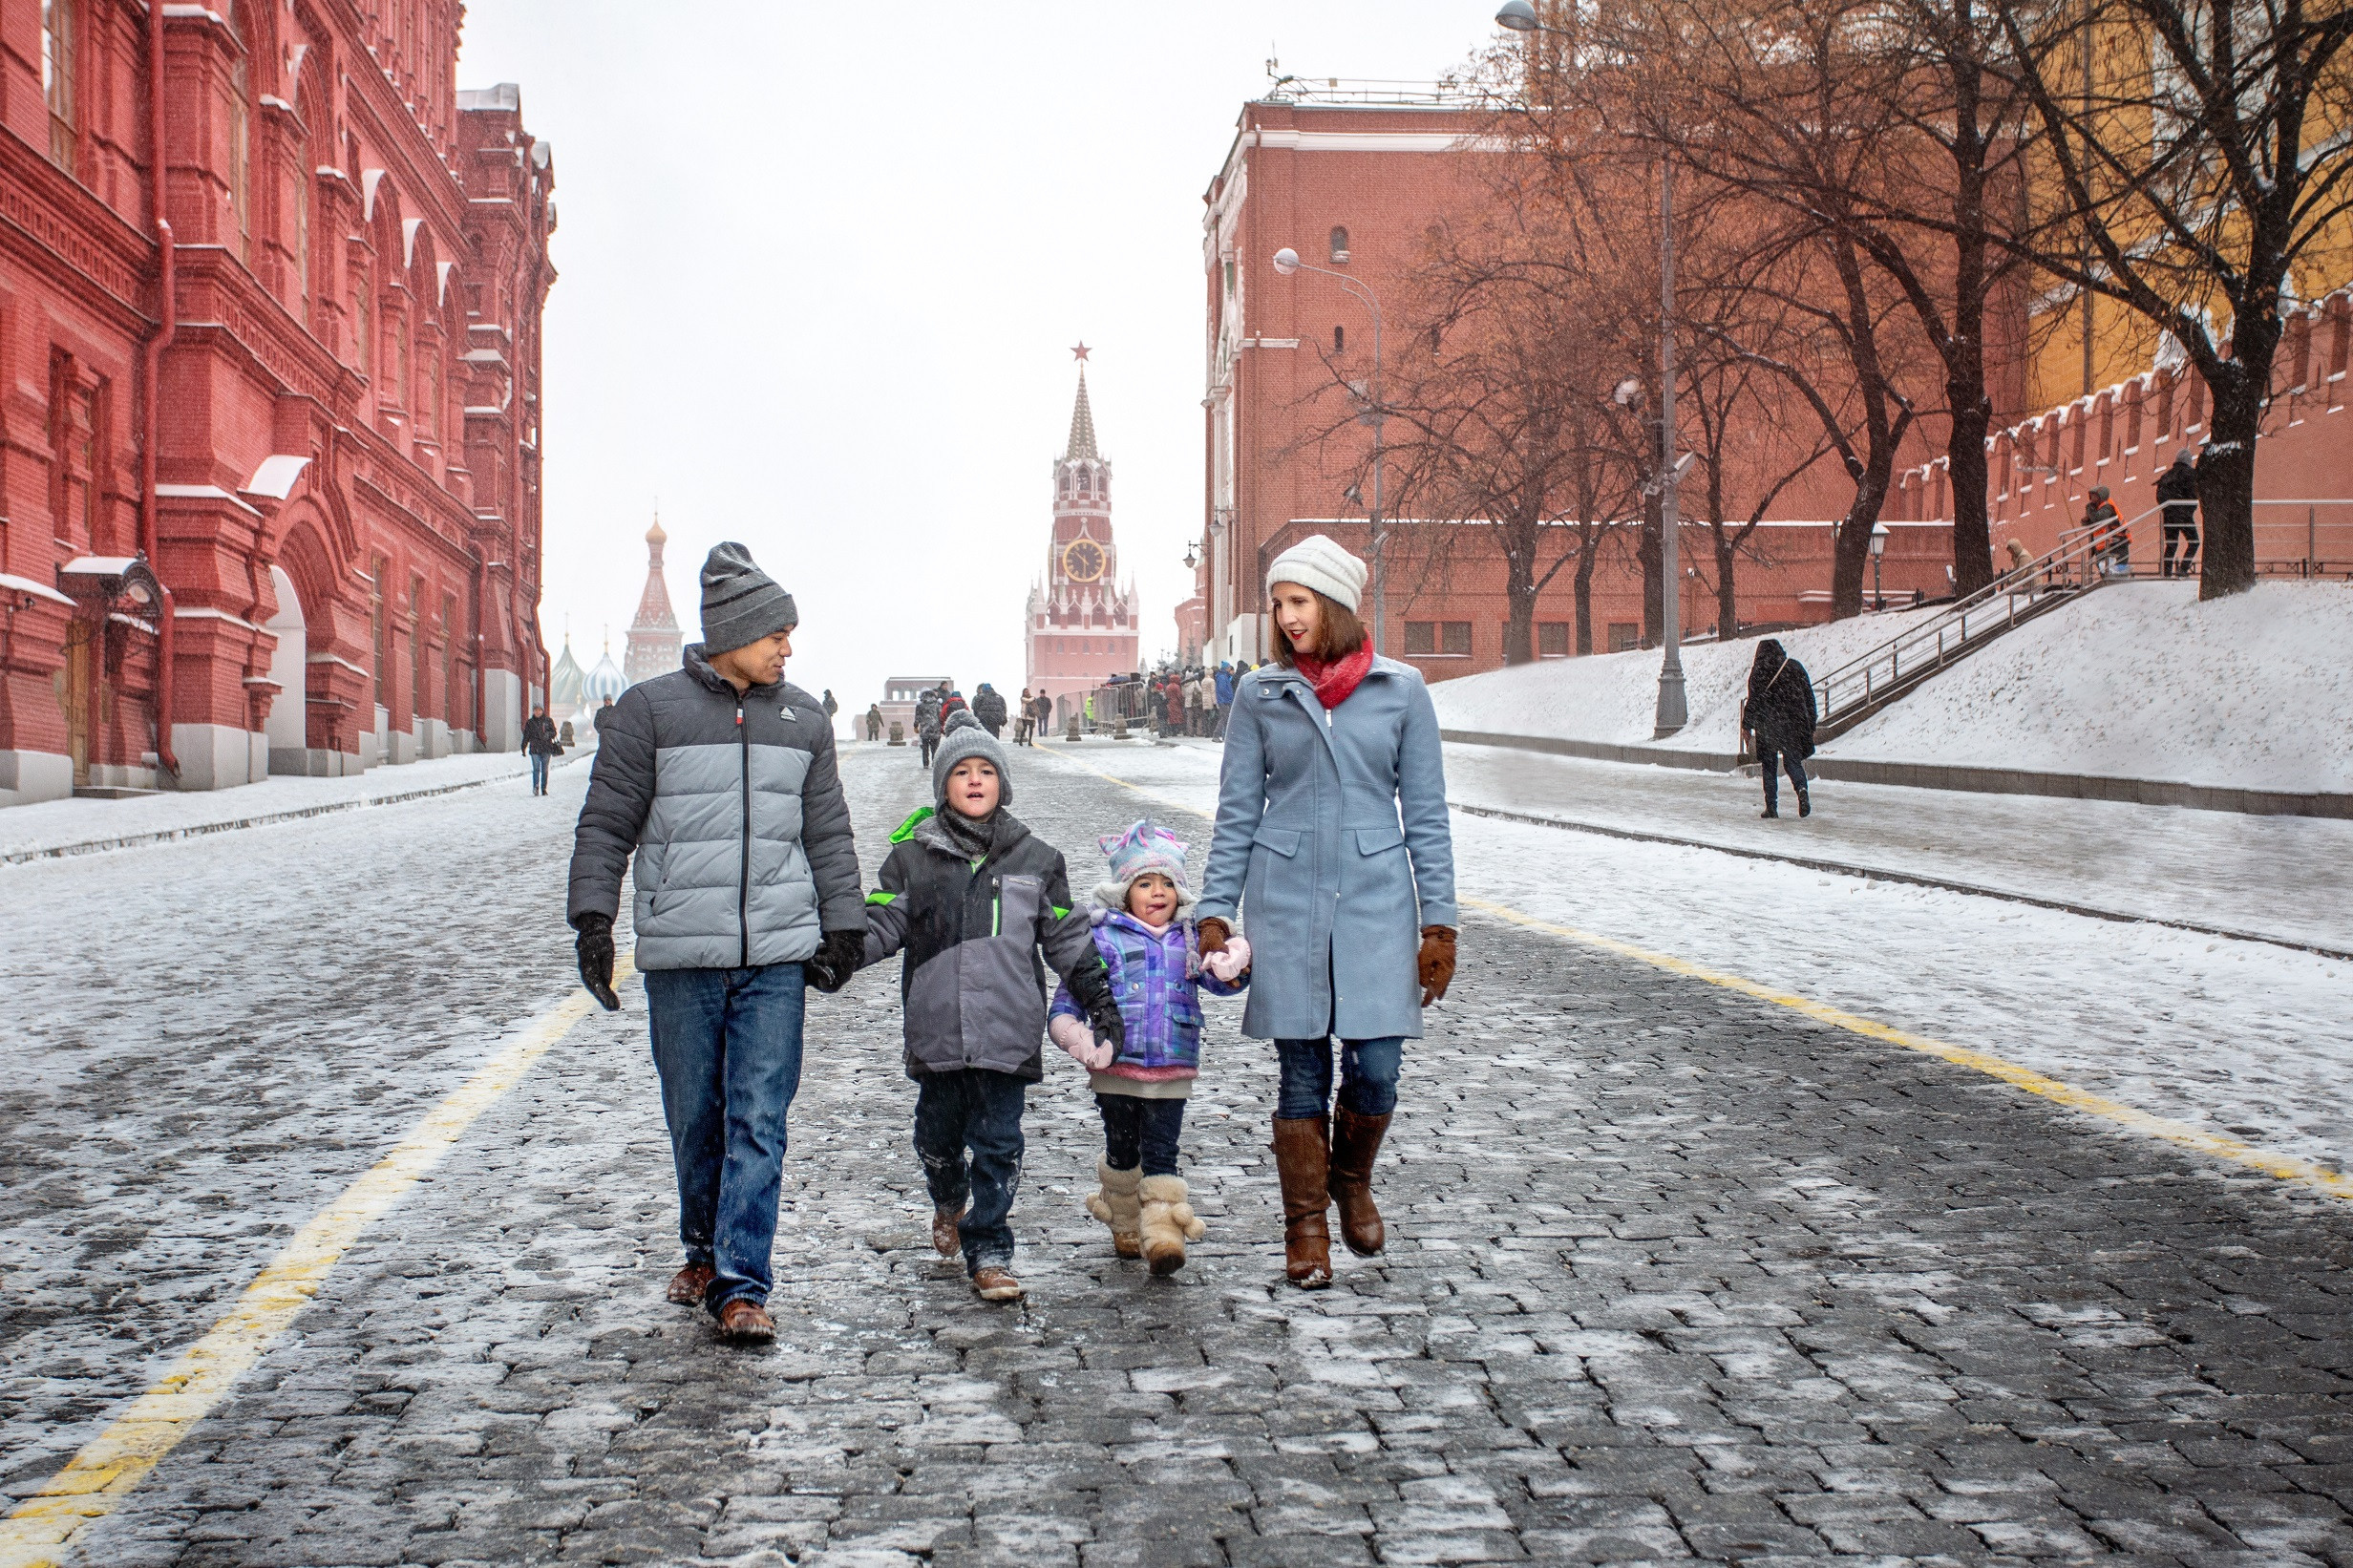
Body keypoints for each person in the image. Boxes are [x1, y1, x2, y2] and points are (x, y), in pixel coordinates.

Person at [566, 542, 867, 1344]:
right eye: (776, 632)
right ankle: (701, 1246)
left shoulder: (806, 719)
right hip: (683, 959)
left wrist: (841, 922)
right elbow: (607, 824)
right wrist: (593, 921)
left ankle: (741, 1283)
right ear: (734, 631)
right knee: (695, 1116)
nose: (788, 648)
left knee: (760, 1116)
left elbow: (828, 833)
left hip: (774, 956)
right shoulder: (648, 713)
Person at [1197, 536, 1457, 1290]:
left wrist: (1438, 924)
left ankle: (1351, 1179)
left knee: (1376, 1068)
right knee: (1301, 1075)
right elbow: (1238, 811)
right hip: (1286, 901)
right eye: (1279, 604)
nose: (1286, 617)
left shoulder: (1402, 692)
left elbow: (1429, 817)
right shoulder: (1260, 695)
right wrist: (1216, 909)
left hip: (1378, 902)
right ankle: (1305, 1227)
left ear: (1334, 604)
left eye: (1299, 602)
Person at [855, 711, 1123, 1302]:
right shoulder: (912, 859)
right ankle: (948, 1197)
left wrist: (1098, 996)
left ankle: (991, 1246)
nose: (975, 781)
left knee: (1000, 1142)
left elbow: (1067, 938)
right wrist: (841, 952)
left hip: (1007, 1030)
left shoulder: (1036, 859)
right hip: (938, 1030)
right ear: (944, 785)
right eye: (961, 772)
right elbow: (882, 922)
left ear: (1003, 783)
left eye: (986, 771)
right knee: (938, 1136)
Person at [1049, 820, 1250, 1275]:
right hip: (1116, 1068)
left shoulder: (1190, 938)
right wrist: (1077, 1037)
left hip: (1172, 1067)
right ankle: (1123, 1218)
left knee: (1163, 1150)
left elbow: (1221, 983)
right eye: (1145, 883)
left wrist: (1232, 966)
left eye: (1167, 884)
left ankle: (1162, 1235)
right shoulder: (1101, 938)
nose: (1158, 893)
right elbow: (1069, 1000)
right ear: (1124, 892)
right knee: (1123, 1148)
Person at [1740, 638, 1818, 819]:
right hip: (1793, 723)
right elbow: (1809, 696)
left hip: (1768, 725)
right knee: (1792, 762)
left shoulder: (1758, 671)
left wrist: (1747, 725)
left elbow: (1753, 700)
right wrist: (1811, 722)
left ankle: (1772, 807)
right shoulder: (1794, 667)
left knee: (1769, 765)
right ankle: (1802, 789)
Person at [2158, 448, 2201, 579]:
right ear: (2188, 461)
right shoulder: (2191, 474)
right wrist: (2188, 509)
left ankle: (2166, 574)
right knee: (2194, 541)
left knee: (2171, 544)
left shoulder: (2167, 475)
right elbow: (2194, 493)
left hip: (2169, 515)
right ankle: (2183, 568)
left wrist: (2168, 509)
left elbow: (2160, 496)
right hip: (2184, 515)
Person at [2084, 485, 2129, 577]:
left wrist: (2089, 509)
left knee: (2115, 570)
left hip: (2116, 543)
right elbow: (2088, 522)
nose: (2092, 498)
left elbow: (2097, 519)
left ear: (2101, 496)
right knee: (2105, 570)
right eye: (2091, 496)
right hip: (2104, 545)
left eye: (2094, 496)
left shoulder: (2107, 506)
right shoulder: (2097, 508)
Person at [521, 704, 559, 795]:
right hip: (535, 749)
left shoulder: (548, 721)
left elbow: (554, 732)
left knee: (545, 770)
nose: (537, 712)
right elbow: (526, 735)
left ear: (542, 711)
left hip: (546, 748)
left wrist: (548, 734)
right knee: (536, 769)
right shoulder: (530, 722)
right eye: (535, 710)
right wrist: (523, 746)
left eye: (539, 710)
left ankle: (544, 788)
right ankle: (536, 787)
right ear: (533, 711)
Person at [916, 689, 943, 768]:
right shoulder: (937, 704)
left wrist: (915, 726)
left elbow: (917, 717)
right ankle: (934, 762)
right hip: (935, 728)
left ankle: (925, 764)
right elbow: (940, 716)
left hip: (924, 728)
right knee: (935, 747)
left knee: (925, 747)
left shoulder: (920, 705)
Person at [1212, 661, 1235, 740]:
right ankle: (1216, 735)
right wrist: (1229, 696)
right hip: (1224, 701)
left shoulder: (1223, 676)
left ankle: (1225, 736)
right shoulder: (1223, 677)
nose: (1229, 668)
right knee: (1224, 718)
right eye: (1228, 667)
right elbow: (1222, 689)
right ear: (1226, 668)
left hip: (1224, 700)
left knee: (1225, 718)